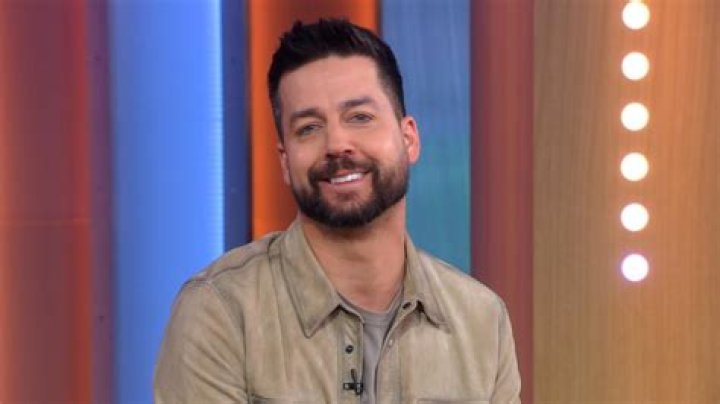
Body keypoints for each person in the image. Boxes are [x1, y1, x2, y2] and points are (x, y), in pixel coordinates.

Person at [154, 18, 521, 403]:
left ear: (409, 139)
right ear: (285, 162)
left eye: (359, 117)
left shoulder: (482, 322)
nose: (337, 144)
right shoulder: (222, 312)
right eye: (309, 128)